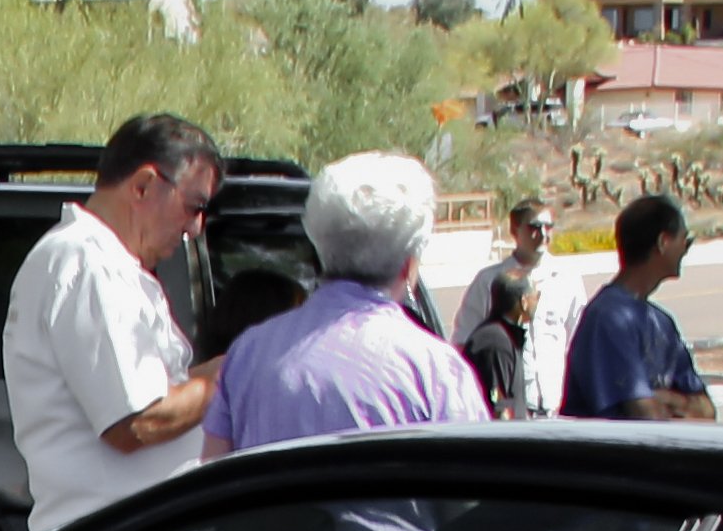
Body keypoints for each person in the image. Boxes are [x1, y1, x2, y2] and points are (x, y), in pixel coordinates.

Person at [8, 111, 224, 531]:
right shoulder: (88, 263)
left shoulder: (111, 264)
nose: (196, 228)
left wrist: (219, 370)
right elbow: (137, 421)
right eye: (193, 206)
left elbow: (158, 393)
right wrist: (231, 379)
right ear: (143, 185)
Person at [204, 153, 488, 454]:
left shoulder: (248, 353)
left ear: (319, 248)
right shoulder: (435, 371)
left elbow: (213, 471)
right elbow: (474, 488)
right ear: (408, 266)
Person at [562, 193, 715, 421]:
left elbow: (708, 412)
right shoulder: (608, 319)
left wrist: (666, 399)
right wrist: (677, 404)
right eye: (686, 241)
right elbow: (645, 418)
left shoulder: (663, 323)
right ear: (663, 242)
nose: (685, 250)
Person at [457, 197, 575, 420]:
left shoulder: (567, 279)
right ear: (514, 230)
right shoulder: (489, 281)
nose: (542, 234)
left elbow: (577, 342)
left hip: (557, 411)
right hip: (512, 413)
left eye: (548, 227)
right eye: (534, 227)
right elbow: (464, 342)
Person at [466, 265, 532, 417]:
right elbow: (498, 408)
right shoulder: (495, 344)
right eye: (536, 296)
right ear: (524, 302)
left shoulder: (504, 336)